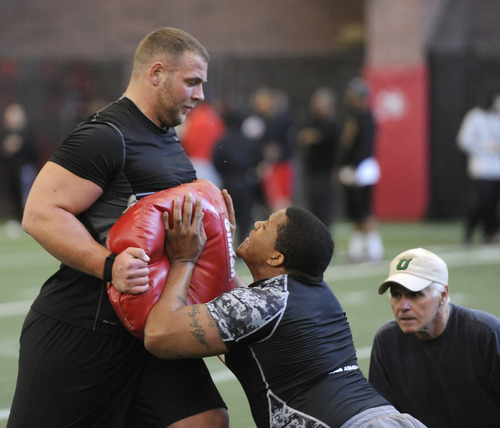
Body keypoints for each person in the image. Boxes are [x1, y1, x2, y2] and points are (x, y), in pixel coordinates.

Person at [8, 28, 229, 428]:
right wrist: (109, 265)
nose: (200, 95)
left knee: (205, 419)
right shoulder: (106, 135)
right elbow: (39, 213)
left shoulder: (165, 138)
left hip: (149, 330)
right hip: (83, 329)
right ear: (157, 73)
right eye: (192, 82)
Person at [144, 192, 426, 428]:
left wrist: (183, 259)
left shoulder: (264, 303)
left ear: (276, 257)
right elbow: (241, 310)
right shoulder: (314, 295)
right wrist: (221, 245)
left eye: (265, 226)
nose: (255, 223)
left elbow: (159, 334)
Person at [369, 247, 500, 427]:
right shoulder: (386, 342)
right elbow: (384, 418)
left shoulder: (486, 334)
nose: (403, 306)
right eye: (396, 295)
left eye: (414, 294)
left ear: (443, 295)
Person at [337, 77, 383, 262]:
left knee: (364, 211)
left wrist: (355, 168)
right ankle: (356, 251)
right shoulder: (353, 116)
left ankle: (374, 249)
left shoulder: (367, 117)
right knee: (355, 212)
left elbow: (365, 146)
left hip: (362, 169)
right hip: (353, 168)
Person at [457, 88, 500, 245]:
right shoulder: (475, 116)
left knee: (493, 206)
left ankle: (490, 234)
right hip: (481, 169)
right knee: (480, 203)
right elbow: (464, 141)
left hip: (497, 170)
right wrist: (487, 147)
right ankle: (469, 232)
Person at [296, 87, 340, 228]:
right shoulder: (311, 120)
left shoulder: (333, 123)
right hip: (312, 170)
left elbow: (325, 138)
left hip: (325, 172)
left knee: (324, 209)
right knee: (312, 208)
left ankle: (326, 240)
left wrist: (314, 136)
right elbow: (302, 136)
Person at [0, 103, 39, 237]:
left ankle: (30, 221)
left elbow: (34, 152)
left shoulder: (27, 132)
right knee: (14, 195)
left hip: (25, 169)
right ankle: (18, 219)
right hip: (12, 171)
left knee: (26, 196)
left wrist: (19, 145)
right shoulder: (6, 134)